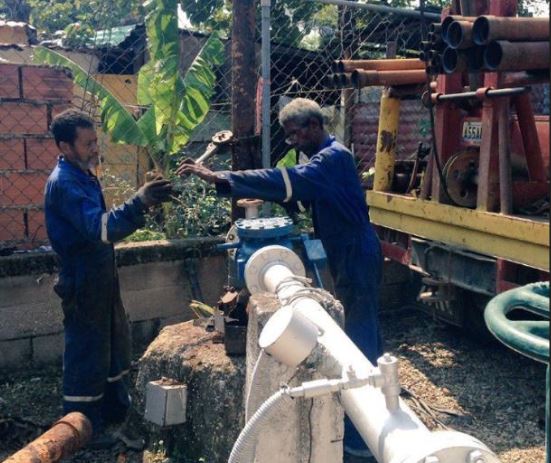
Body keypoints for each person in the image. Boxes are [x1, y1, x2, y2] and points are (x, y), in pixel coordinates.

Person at [177, 97, 383, 462]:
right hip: (349, 250)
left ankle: (362, 436)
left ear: (314, 127)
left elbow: (293, 181)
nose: (292, 142)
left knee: (360, 334)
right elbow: (303, 190)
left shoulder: (333, 158)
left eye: (294, 135)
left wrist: (222, 178)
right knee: (362, 327)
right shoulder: (325, 157)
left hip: (355, 251)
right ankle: (376, 408)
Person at [44, 109, 173, 448]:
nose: (94, 149)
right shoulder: (66, 183)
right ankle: (82, 424)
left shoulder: (82, 173)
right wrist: (139, 202)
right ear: (65, 146)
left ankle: (114, 411)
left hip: (101, 271)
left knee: (113, 340)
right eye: (87, 144)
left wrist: (140, 204)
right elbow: (100, 228)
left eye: (95, 141)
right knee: (87, 347)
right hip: (83, 276)